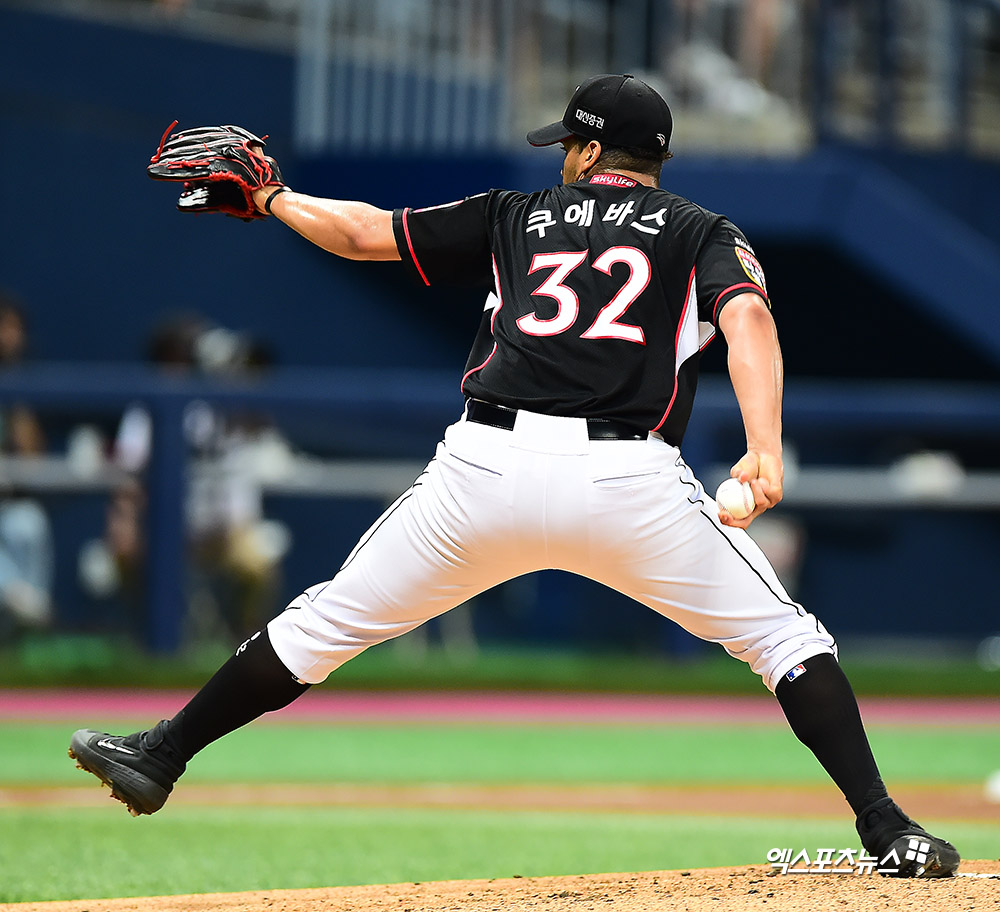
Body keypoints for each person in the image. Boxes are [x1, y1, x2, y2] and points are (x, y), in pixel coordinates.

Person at [69, 74, 958, 878]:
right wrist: (763, 445)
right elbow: (749, 321)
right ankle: (885, 826)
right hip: (628, 482)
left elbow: (363, 233)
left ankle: (162, 755)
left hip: (484, 470)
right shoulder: (701, 231)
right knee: (784, 641)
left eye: (567, 144)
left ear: (589, 153)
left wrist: (273, 196)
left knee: (326, 622)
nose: (561, 158)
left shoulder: (515, 214)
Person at [0, 295, 54, 636]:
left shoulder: (22, 384)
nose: (7, 336)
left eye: (14, 328)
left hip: (10, 501)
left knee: (28, 523)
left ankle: (26, 624)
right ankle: (18, 599)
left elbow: (33, 456)